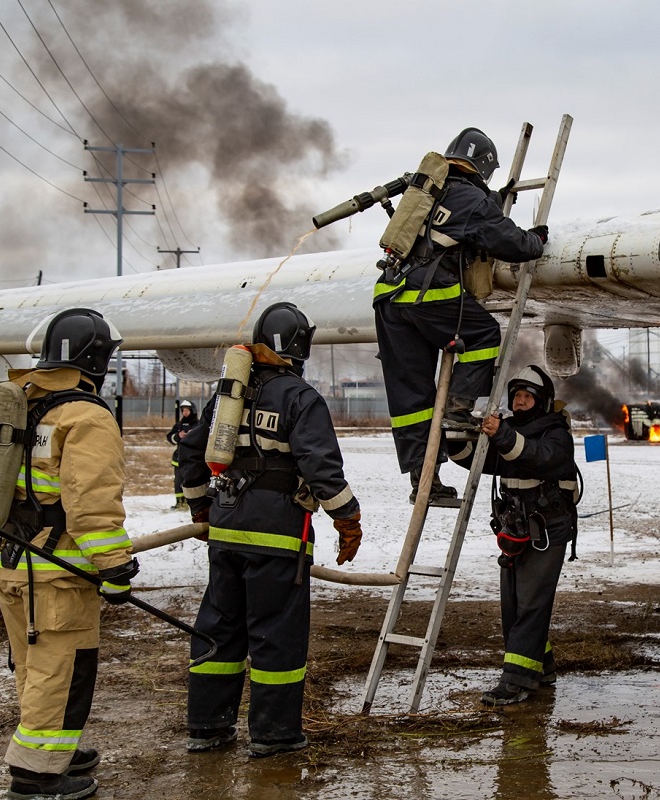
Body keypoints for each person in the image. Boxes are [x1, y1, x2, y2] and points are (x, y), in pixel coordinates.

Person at [0, 307, 135, 800]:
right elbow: (91, 504)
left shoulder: (5, 409)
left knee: (35, 669)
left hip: (11, 565)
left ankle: (54, 750)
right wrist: (116, 567)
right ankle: (36, 777)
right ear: (95, 358)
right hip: (60, 575)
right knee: (61, 671)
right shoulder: (86, 416)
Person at [177, 301, 364, 757]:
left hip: (226, 529)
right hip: (279, 535)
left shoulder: (226, 397)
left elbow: (189, 456)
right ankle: (274, 733)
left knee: (219, 628)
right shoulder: (301, 397)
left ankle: (208, 726)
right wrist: (348, 518)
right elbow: (321, 468)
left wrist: (201, 509)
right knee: (276, 634)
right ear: (300, 347)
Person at [374, 127, 548, 505]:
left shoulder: (424, 193)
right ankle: (457, 408)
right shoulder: (471, 198)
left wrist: (497, 199)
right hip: (428, 294)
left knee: (411, 399)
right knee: (484, 335)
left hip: (388, 296)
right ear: (483, 168)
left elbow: (458, 222)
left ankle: (425, 482)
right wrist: (536, 238)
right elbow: (513, 244)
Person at [446, 364, 578, 706]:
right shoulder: (508, 434)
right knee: (515, 605)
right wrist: (456, 433)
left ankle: (517, 681)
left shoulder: (555, 434)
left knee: (532, 604)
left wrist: (502, 435)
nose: (519, 402)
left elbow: (538, 458)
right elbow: (479, 458)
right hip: (516, 530)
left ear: (542, 401)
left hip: (547, 532)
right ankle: (541, 667)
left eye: (527, 397)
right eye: (516, 396)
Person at [166, 400, 200, 510]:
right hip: (178, 460)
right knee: (178, 482)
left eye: (187, 410)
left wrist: (193, 435)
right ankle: (180, 503)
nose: (185, 413)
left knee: (191, 482)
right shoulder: (179, 425)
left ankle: (191, 503)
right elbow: (170, 438)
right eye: (183, 410)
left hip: (193, 460)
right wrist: (178, 436)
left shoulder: (198, 425)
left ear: (192, 411)